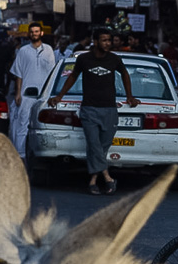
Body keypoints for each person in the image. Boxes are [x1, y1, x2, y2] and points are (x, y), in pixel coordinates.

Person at [48, 28, 139, 194]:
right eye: (104, 40)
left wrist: (130, 96)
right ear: (95, 42)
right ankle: (108, 178)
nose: (107, 44)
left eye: (109, 40)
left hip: (110, 110)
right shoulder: (83, 59)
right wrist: (60, 96)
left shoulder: (114, 59)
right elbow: (73, 77)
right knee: (94, 144)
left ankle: (93, 180)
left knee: (102, 146)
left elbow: (125, 74)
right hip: (89, 109)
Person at [8, 23, 57, 158]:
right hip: (26, 95)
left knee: (42, 126)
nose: (34, 33)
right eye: (32, 31)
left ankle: (41, 154)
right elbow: (19, 73)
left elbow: (52, 73)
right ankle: (20, 154)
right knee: (22, 124)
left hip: (44, 96)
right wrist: (18, 93)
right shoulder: (23, 51)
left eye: (37, 31)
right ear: (29, 34)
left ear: (41, 33)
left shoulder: (48, 50)